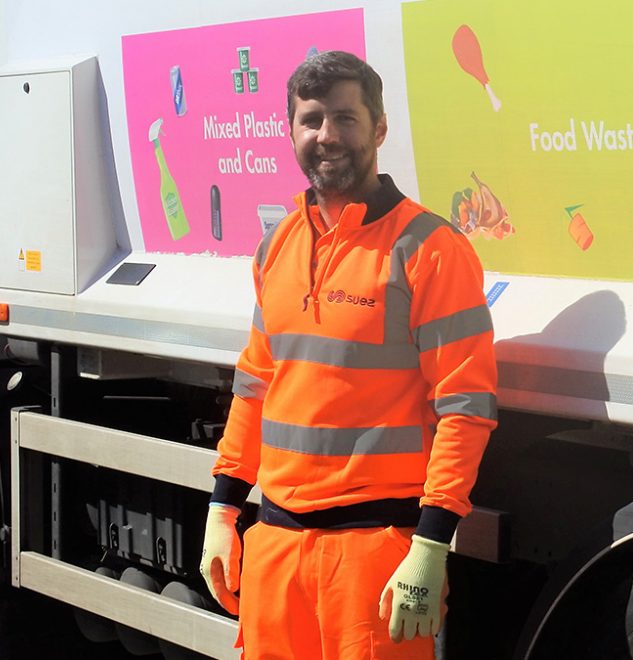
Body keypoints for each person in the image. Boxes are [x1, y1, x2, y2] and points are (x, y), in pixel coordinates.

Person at [200, 50, 497, 659]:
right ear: (290, 131)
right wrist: (223, 511)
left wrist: (432, 544)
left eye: (346, 118)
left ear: (379, 129)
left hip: (375, 556)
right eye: (311, 120)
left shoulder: (430, 249)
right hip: (276, 546)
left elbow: (465, 407)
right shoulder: (276, 245)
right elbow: (256, 382)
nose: (327, 136)